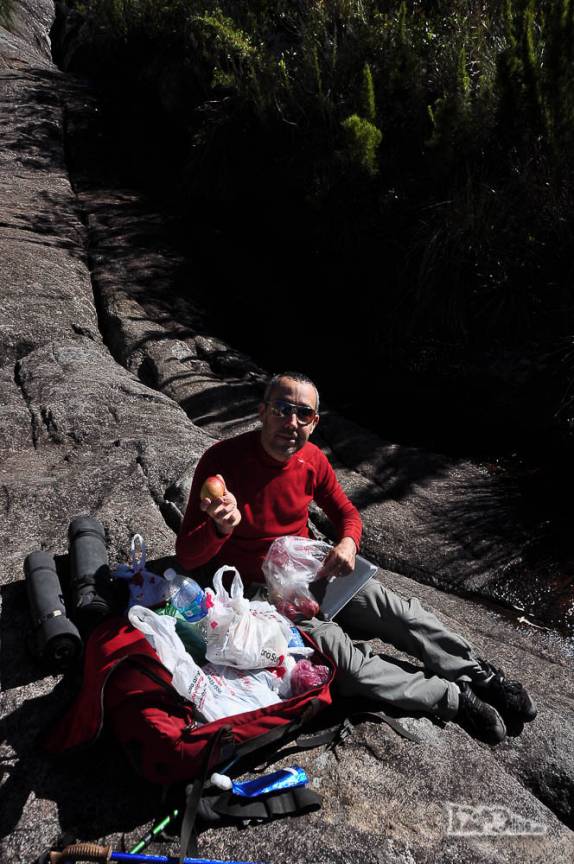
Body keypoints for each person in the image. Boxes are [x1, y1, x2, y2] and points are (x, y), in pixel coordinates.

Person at [176, 371, 537, 744]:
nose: (291, 422)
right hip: (262, 599)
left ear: (315, 423)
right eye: (282, 409)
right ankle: (454, 699)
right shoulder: (222, 463)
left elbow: (347, 514)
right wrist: (220, 529)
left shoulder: (311, 460)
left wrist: (348, 543)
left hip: (313, 571)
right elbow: (187, 556)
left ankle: (480, 675)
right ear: (263, 411)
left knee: (402, 613)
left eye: (303, 414)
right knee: (349, 667)